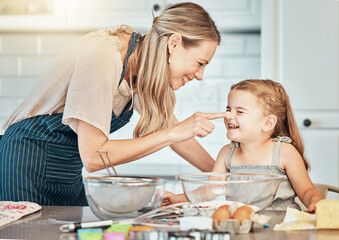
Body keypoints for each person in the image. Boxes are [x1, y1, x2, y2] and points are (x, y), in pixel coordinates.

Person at [0, 2, 226, 206]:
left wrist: (225, 177)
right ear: (174, 43)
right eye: (199, 63)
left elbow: (172, 131)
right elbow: (93, 156)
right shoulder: (104, 55)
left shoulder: (142, 67)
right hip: (26, 162)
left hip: (65, 171)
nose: (199, 75)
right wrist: (173, 134)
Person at [162, 79, 323, 212]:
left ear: (268, 123)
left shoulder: (284, 152)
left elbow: (307, 191)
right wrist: (178, 199)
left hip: (281, 227)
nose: (229, 116)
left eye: (239, 112)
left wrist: (316, 202)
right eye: (228, 109)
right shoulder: (227, 153)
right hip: (243, 226)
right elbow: (210, 190)